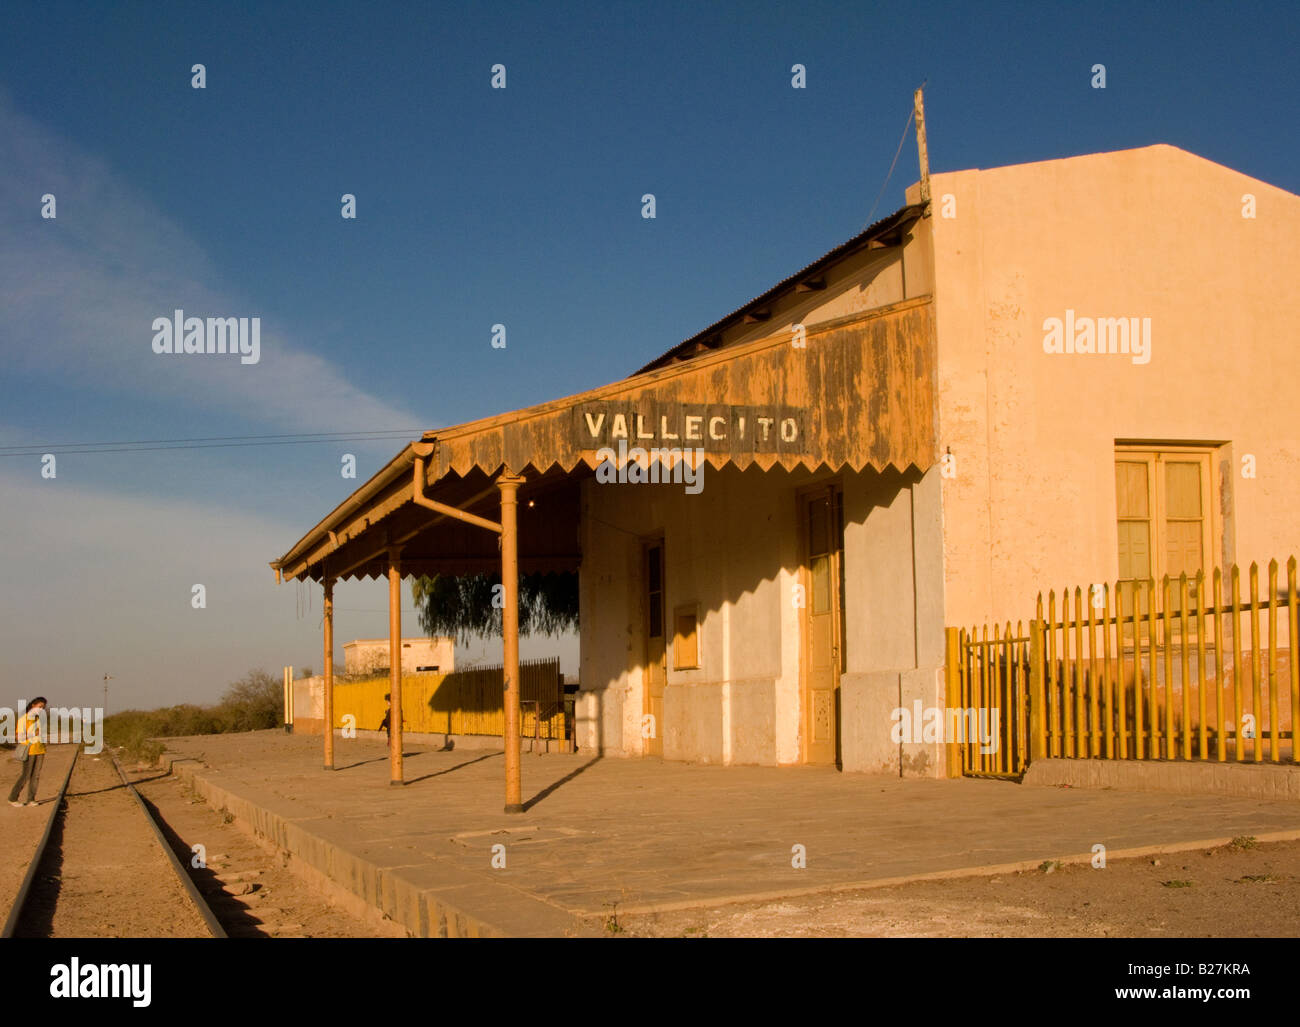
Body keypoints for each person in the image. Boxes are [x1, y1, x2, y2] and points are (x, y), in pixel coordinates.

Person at [9, 697, 48, 808]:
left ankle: (31, 799)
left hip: (40, 750)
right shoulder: (23, 719)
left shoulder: (38, 719)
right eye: (39, 706)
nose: (41, 709)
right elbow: (19, 737)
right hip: (29, 750)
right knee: (25, 775)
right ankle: (13, 798)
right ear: (33, 705)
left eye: (43, 708)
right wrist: (32, 734)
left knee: (35, 776)